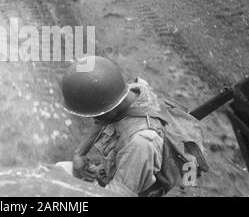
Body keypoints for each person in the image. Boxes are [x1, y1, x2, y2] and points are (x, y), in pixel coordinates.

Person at [60, 56, 209, 197]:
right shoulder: (133, 91)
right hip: (127, 170)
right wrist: (80, 152)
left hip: (129, 189)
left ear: (110, 109)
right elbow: (104, 118)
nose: (94, 119)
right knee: (62, 169)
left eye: (95, 115)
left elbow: (117, 193)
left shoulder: (141, 143)